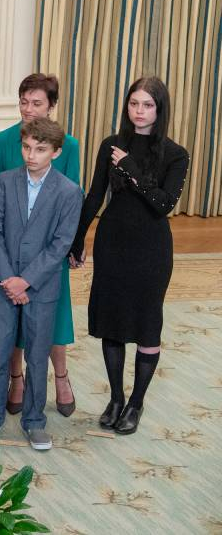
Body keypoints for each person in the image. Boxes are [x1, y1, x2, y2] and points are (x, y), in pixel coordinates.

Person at [70, 77, 189, 436]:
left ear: (160, 109)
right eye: (133, 103)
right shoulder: (111, 145)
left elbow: (164, 205)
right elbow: (94, 196)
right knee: (113, 321)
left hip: (151, 249)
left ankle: (137, 403)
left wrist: (133, 171)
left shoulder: (176, 154)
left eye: (147, 105)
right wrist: (77, 240)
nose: (139, 111)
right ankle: (116, 399)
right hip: (113, 243)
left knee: (147, 324)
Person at [0, 74, 81, 417]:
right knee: (5, 318)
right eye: (24, 102)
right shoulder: (5, 140)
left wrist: (76, 244)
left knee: (50, 318)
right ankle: (15, 379)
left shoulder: (68, 145)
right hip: (5, 245)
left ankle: (60, 377)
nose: (29, 109)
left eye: (37, 103)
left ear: (51, 106)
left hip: (47, 253)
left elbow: (72, 195)